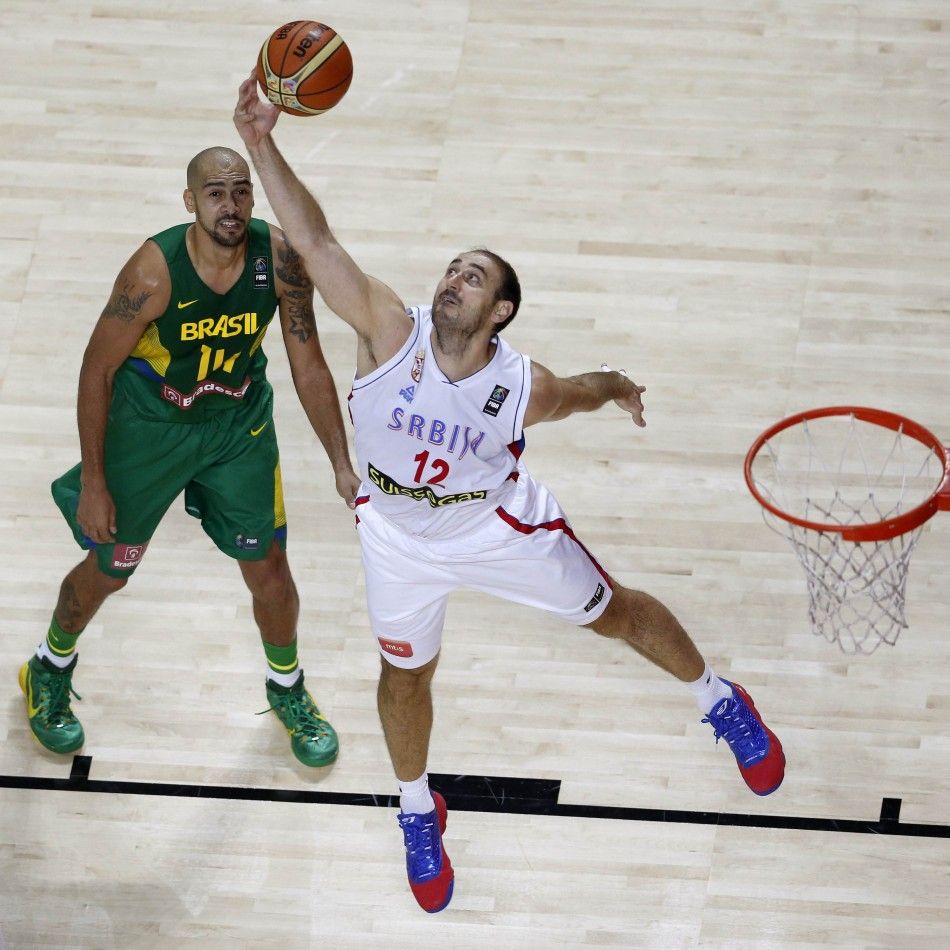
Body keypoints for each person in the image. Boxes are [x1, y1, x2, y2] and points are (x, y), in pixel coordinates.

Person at [233, 75, 786, 913]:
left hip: (497, 528)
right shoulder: (389, 328)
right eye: (452, 268)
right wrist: (261, 140)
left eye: (474, 276)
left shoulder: (522, 387)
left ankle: (722, 701)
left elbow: (585, 388)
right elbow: (315, 241)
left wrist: (620, 386)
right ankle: (419, 809)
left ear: (502, 310)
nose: (453, 279)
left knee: (616, 615)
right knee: (403, 680)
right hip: (396, 536)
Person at [19, 145, 361, 769]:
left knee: (271, 569)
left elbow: (307, 358)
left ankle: (287, 689)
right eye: (215, 193)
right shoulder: (153, 273)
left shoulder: (279, 257)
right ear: (189, 202)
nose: (230, 206)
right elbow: (95, 371)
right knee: (110, 569)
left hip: (236, 426)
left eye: (240, 192)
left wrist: (341, 460)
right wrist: (94, 480)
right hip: (150, 429)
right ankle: (48, 666)